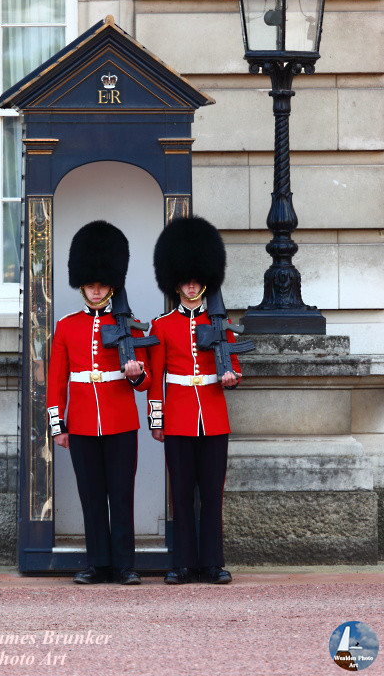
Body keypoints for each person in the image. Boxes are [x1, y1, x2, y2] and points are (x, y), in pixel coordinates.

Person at [47, 220, 150, 585]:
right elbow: (57, 380)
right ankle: (98, 563)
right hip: (83, 423)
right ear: (83, 285)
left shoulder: (132, 325)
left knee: (121, 496)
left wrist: (135, 372)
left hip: (121, 421)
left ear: (111, 285)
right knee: (91, 498)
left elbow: (144, 382)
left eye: (101, 285)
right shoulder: (67, 325)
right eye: (90, 285)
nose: (95, 290)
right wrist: (59, 426)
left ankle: (124, 564)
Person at [148, 216, 242, 585]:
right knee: (182, 494)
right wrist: (158, 421)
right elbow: (156, 382)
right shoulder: (162, 324)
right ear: (176, 283)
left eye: (196, 279)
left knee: (212, 496)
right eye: (185, 280)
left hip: (214, 418)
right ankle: (183, 563)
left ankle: (213, 562)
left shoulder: (221, 320)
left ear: (206, 281)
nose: (191, 285)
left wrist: (231, 377)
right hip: (179, 417)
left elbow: (233, 364)